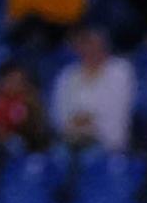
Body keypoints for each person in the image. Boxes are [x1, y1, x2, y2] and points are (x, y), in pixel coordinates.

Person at [51, 25, 136, 153]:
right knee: (58, 155)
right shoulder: (68, 74)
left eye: (94, 44)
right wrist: (73, 123)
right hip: (70, 138)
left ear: (104, 46)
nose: (90, 49)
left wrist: (91, 122)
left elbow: (119, 110)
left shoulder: (120, 71)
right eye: (85, 44)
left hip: (106, 140)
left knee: (92, 155)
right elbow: (58, 112)